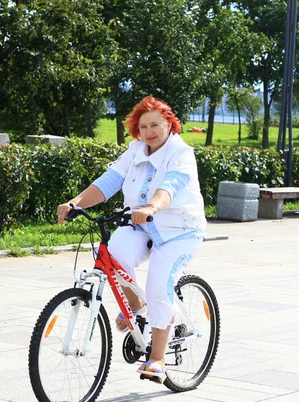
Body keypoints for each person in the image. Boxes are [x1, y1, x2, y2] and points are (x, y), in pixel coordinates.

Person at [57, 95, 206, 381]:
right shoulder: (135, 150)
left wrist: (151, 207)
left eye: (155, 125)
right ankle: (135, 307)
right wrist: (75, 202)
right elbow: (109, 181)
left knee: (158, 285)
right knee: (113, 253)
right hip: (141, 225)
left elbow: (170, 185)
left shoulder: (181, 153)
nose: (149, 131)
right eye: (143, 126)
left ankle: (158, 358)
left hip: (179, 231)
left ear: (169, 125)